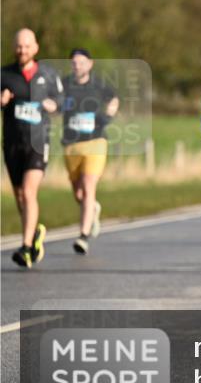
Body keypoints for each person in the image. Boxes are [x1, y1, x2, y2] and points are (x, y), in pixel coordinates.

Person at [2, 28, 63, 268]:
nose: (22, 50)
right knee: (19, 196)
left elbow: (61, 101)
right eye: (18, 46)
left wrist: (52, 105)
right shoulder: (4, 75)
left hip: (38, 143)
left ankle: (26, 248)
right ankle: (34, 231)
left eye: (26, 46)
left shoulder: (48, 74)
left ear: (35, 48)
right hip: (12, 143)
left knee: (29, 192)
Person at [61, 48, 119, 254]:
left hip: (95, 141)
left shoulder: (98, 84)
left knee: (88, 185)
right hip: (71, 144)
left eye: (81, 62)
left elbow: (113, 99)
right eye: (74, 63)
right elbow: (54, 103)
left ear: (90, 64)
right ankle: (93, 208)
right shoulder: (64, 84)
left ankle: (83, 236)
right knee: (79, 193)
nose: (78, 66)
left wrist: (108, 115)